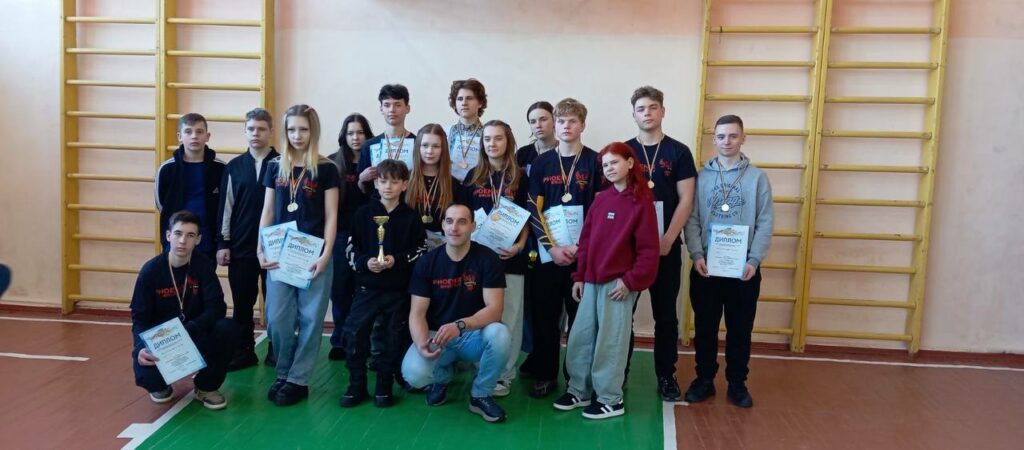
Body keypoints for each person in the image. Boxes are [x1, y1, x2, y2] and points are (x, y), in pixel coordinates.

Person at [554, 142, 660, 419]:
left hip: (618, 285)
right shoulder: (601, 200)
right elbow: (587, 241)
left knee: (610, 342)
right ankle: (579, 390)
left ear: (629, 163)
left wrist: (630, 282)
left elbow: (649, 251)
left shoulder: (641, 202)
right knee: (580, 337)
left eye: (614, 162)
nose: (609, 168)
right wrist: (579, 276)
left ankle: (610, 399)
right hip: (591, 281)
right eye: (605, 165)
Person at [683, 115, 774, 408]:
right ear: (714, 139)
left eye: (733, 136)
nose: (727, 141)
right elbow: (692, 218)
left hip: (743, 269)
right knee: (705, 328)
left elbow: (765, 221)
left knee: (740, 329)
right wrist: (696, 254)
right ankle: (704, 380)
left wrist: (754, 260)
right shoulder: (702, 177)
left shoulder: (757, 178)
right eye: (721, 136)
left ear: (743, 138)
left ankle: (737, 383)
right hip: (706, 268)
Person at [257, 105, 340, 406]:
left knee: (310, 320)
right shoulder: (274, 166)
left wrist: (326, 254)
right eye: (291, 129)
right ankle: (283, 372)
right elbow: (268, 211)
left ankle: (298, 379)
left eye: (303, 129)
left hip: (314, 254)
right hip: (280, 254)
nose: (297, 135)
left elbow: (331, 216)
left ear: (313, 131)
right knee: (277, 318)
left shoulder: (326, 168)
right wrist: (260, 248)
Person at [401, 204, 511, 423]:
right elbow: (417, 313)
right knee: (413, 374)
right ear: (443, 225)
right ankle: (442, 379)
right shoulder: (427, 262)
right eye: (449, 221)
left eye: (462, 222)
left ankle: (480, 395)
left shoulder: (488, 259)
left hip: (472, 336)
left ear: (473, 226)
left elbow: (495, 310)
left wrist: (460, 325)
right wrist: (421, 344)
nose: (454, 228)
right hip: (438, 336)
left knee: (500, 334)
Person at [622, 86, 697, 400]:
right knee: (622, 314)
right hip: (630, 251)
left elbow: (686, 199)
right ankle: (619, 373)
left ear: (662, 111)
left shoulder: (679, 152)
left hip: (666, 248)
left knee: (665, 316)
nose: (647, 113)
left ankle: (666, 375)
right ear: (634, 114)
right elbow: (616, 200)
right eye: (641, 108)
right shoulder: (623, 152)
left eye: (653, 107)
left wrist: (668, 238)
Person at [523, 98, 600, 397]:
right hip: (549, 255)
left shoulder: (595, 162)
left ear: (583, 125)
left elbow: (599, 210)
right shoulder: (542, 163)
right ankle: (545, 374)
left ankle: (577, 378)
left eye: (573, 121)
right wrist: (552, 248)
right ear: (555, 125)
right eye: (562, 121)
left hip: (583, 256)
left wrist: (581, 247)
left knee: (581, 322)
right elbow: (533, 208)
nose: (566, 126)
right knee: (545, 318)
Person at [131, 210, 239, 410]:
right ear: (168, 236)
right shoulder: (150, 271)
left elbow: (217, 307)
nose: (183, 241)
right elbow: (139, 318)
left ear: (198, 240)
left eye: (190, 235)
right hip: (162, 341)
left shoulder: (203, 266)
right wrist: (140, 348)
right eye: (178, 233)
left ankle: (206, 387)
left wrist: (190, 329)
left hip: (194, 333)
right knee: (146, 372)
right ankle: (160, 384)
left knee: (227, 328)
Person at [341, 159, 427, 408]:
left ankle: (384, 385)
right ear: (376, 183)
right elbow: (350, 248)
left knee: (392, 338)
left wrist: (396, 260)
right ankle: (356, 384)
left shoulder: (411, 217)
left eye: (394, 181)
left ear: (404, 185)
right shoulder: (362, 214)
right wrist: (365, 262)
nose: (388, 186)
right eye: (383, 181)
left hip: (397, 290)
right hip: (366, 289)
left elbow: (420, 249)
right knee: (354, 334)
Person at [458, 120, 529, 397]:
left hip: (510, 259)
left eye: (498, 138)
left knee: (509, 319)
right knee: (481, 318)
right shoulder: (473, 176)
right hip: (478, 261)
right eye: (487, 139)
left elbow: (528, 218)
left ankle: (504, 375)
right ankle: (483, 370)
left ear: (508, 141)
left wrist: (519, 246)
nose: (492, 143)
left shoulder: (520, 177)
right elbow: (464, 217)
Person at [217, 108, 280, 371]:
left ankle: (277, 348)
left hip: (275, 248)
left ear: (270, 131)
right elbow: (226, 208)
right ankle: (244, 350)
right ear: (245, 131)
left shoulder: (283, 164)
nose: (256, 133)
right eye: (251, 129)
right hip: (241, 248)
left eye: (261, 129)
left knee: (276, 303)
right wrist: (223, 243)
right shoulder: (234, 167)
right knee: (242, 304)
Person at [327, 113, 374, 361]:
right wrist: (358, 182)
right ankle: (339, 339)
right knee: (340, 288)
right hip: (341, 233)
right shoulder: (333, 163)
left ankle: (362, 340)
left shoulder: (376, 160)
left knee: (365, 289)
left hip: (369, 234)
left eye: (360, 132)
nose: (356, 137)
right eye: (351, 133)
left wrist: (366, 181)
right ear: (344, 136)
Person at [155, 113, 226, 259]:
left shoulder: (221, 169)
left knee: (203, 274)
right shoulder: (167, 169)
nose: (194, 136)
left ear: (207, 136)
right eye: (188, 131)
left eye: (199, 132)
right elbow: (161, 204)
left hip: (207, 240)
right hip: (175, 242)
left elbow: (226, 207)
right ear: (179, 136)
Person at [407, 124, 461, 250]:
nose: (430, 151)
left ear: (443, 149)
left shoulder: (453, 184)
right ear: (418, 147)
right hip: (409, 245)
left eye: (436, 146)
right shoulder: (406, 180)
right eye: (425, 145)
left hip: (442, 247)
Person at [356, 84, 416, 194]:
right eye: (387, 105)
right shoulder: (369, 145)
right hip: (377, 203)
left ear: (407, 108)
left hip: (409, 202)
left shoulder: (418, 143)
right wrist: (361, 179)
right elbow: (362, 190)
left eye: (397, 105)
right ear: (381, 109)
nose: (392, 110)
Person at [447, 79, 487, 181]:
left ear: (480, 103)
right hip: (450, 186)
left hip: (478, 186)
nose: (464, 103)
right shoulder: (446, 133)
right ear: (455, 103)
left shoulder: (488, 134)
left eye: (469, 98)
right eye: (460, 99)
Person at [515, 101, 557, 177]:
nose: (538, 125)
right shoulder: (522, 154)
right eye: (533, 122)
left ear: (554, 121)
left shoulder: (566, 152)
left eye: (543, 119)